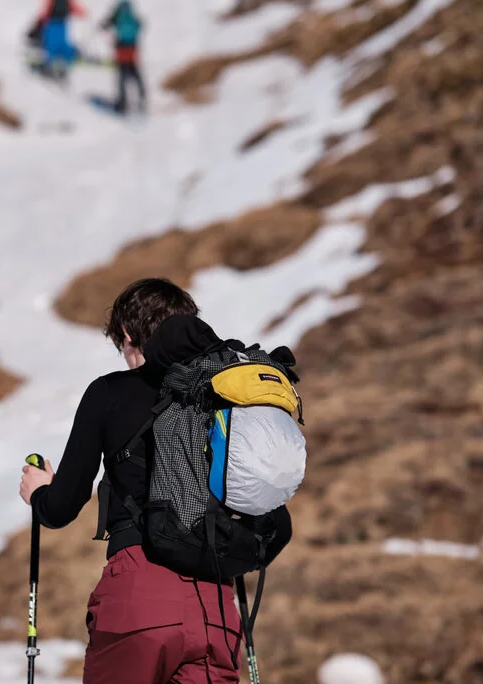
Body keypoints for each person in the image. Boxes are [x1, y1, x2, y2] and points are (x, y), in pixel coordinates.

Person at [18, 278, 290, 684]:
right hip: (216, 611)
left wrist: (39, 491)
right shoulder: (223, 399)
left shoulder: (110, 392)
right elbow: (273, 523)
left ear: (128, 337)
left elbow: (61, 507)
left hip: (138, 598)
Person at [101, 0, 146, 115]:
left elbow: (108, 23)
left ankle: (122, 104)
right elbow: (140, 25)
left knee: (122, 75)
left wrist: (104, 24)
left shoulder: (119, 11)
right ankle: (142, 97)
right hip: (133, 48)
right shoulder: (130, 10)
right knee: (135, 72)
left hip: (121, 49)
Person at [40, 0, 88, 81]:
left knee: (56, 47)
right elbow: (76, 9)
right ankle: (54, 68)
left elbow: (46, 12)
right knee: (56, 47)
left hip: (57, 24)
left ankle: (57, 68)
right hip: (55, 23)